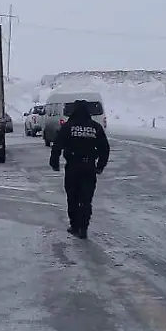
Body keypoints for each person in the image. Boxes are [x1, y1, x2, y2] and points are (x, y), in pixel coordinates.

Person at [48, 100, 109, 239]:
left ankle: (75, 225)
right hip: (89, 167)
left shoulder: (68, 127)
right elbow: (104, 148)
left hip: (73, 167)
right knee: (86, 199)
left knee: (73, 197)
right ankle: (84, 227)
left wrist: (54, 162)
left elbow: (57, 144)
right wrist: (100, 165)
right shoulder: (96, 127)